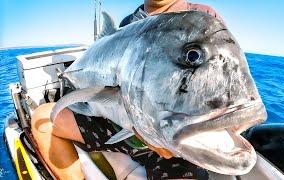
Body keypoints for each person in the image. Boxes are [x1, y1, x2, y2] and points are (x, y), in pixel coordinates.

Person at [31, 0, 224, 179]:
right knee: (44, 120)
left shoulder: (202, 17)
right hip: (119, 124)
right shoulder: (129, 22)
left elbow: (222, 92)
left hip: (173, 144)